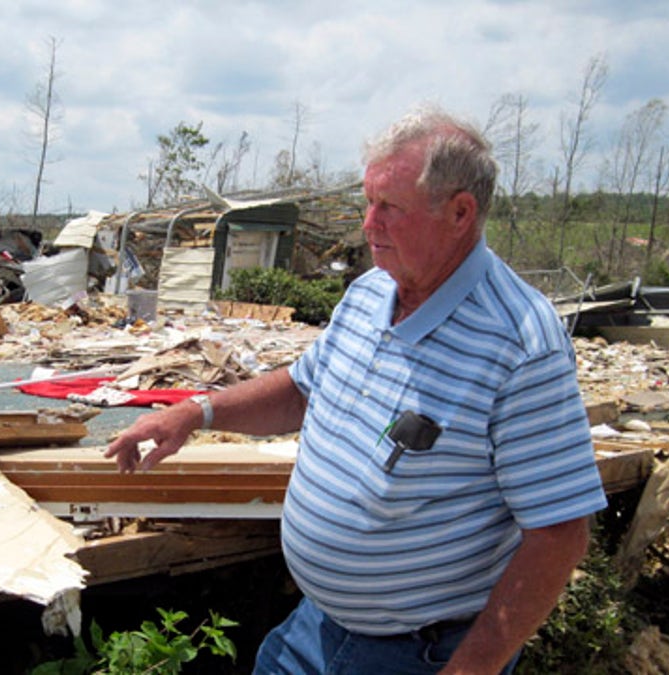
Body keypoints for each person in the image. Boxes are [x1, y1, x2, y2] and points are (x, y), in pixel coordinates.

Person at [105, 104, 608, 674]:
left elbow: (559, 533)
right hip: (317, 629)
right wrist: (195, 414)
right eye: (368, 202)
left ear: (461, 212)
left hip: (419, 655)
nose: (368, 225)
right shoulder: (370, 292)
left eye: (390, 208)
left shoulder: (520, 344)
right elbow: (301, 390)